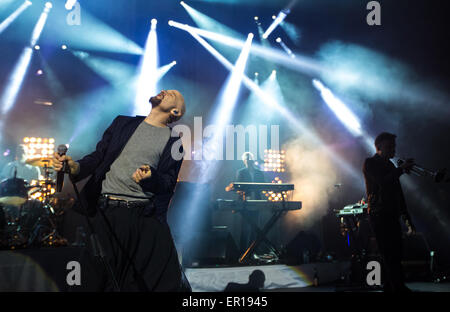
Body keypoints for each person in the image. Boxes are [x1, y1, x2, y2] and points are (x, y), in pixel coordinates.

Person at [53, 89, 190, 292]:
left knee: (160, 281)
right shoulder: (123, 123)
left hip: (143, 217)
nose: (166, 91)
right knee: (103, 279)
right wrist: (76, 168)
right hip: (108, 213)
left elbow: (168, 183)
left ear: (176, 112)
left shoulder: (175, 142)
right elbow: (98, 157)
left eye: (173, 94)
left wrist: (151, 177)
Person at [362, 132, 416, 292]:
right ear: (378, 148)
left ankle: (391, 287)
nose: (393, 149)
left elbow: (398, 194)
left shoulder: (390, 166)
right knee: (389, 253)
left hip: (391, 213)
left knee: (396, 252)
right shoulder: (370, 163)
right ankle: (398, 287)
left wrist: (407, 219)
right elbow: (382, 182)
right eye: (389, 146)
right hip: (379, 214)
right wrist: (401, 170)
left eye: (394, 146)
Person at [235, 152, 265, 255]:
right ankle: (243, 252)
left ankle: (253, 252)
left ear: (252, 160)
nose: (248, 161)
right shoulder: (241, 172)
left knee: (255, 229)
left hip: (256, 202)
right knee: (245, 229)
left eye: (250, 159)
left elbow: (264, 185)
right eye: (246, 160)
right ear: (244, 161)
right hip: (245, 203)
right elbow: (238, 187)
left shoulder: (259, 173)